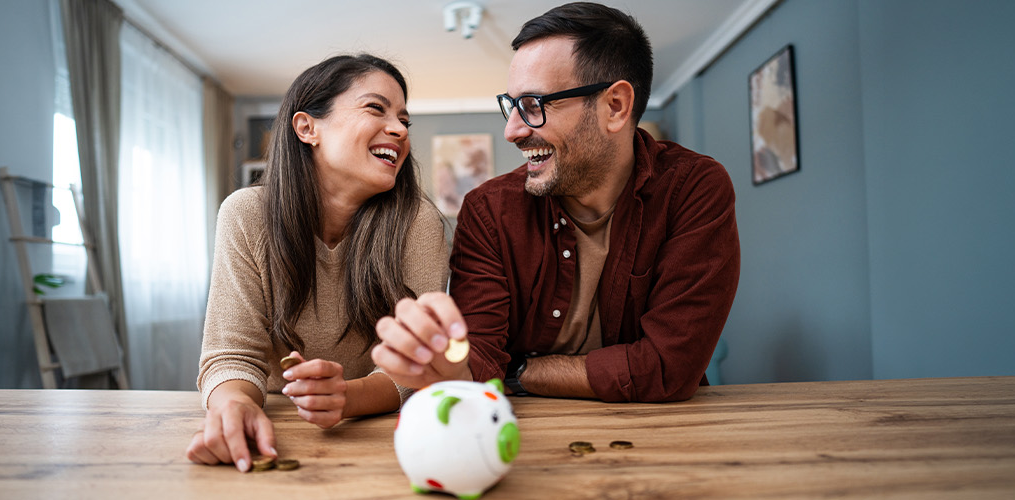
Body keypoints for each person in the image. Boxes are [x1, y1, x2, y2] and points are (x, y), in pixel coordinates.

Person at [371, 2, 739, 403]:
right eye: (512, 106)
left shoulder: (693, 189)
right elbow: (479, 358)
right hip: (519, 428)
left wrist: (521, 372)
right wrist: (451, 365)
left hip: (660, 427)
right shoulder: (488, 211)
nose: (512, 131)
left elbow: (669, 368)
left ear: (615, 106)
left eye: (534, 105)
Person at [186, 54, 448, 473]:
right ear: (307, 128)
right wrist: (234, 405)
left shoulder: (418, 223)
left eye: (404, 120)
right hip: (279, 424)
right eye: (376, 108)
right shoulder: (245, 214)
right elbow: (233, 354)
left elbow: (418, 364)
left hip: (382, 434)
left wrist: (348, 397)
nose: (400, 129)